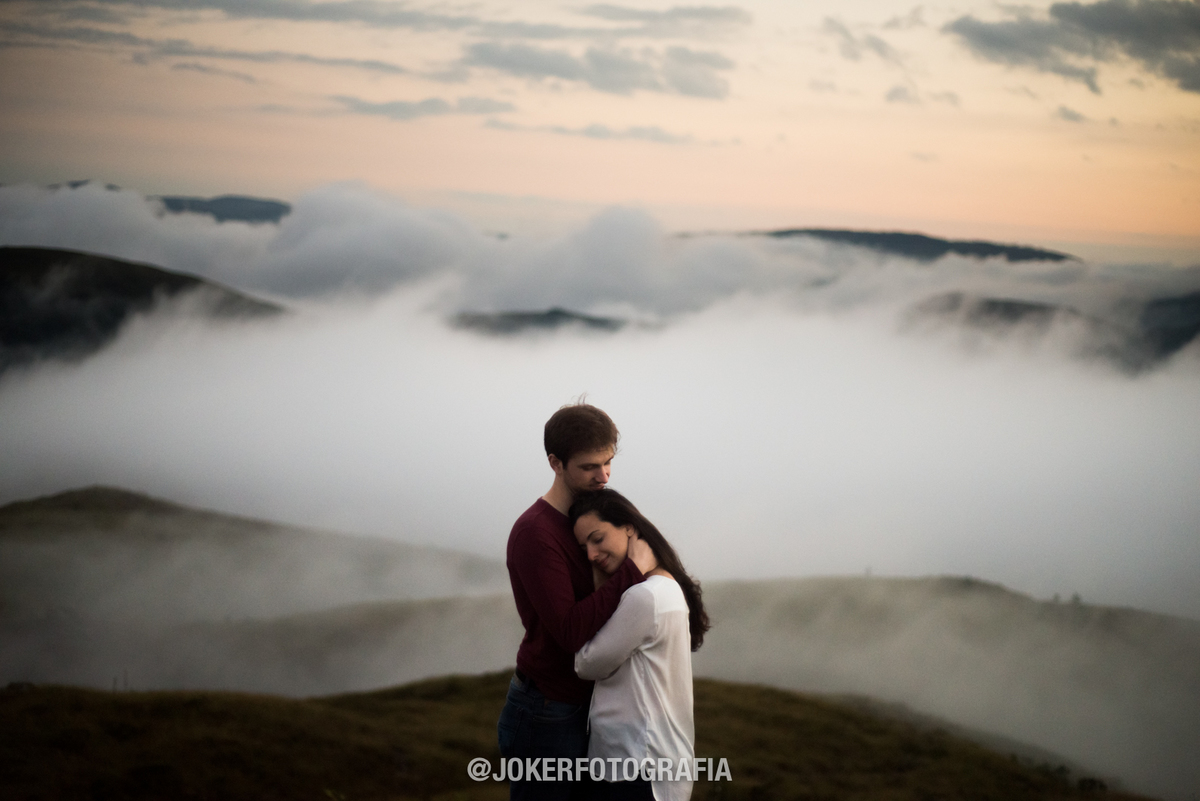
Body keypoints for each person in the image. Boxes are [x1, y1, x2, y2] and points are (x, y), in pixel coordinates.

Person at [498, 403, 657, 801]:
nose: (602, 476)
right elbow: (570, 631)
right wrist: (633, 571)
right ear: (555, 463)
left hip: (590, 704)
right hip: (547, 710)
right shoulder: (535, 533)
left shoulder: (592, 516)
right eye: (589, 466)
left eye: (608, 463)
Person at [570, 489, 709, 801]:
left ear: (628, 528)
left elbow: (586, 663)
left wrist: (600, 588)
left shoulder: (643, 596)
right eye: (584, 547)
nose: (591, 554)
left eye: (597, 538)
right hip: (659, 762)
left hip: (634, 765)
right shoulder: (668, 588)